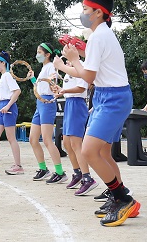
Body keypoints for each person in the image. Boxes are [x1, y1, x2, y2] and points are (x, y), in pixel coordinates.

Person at [53, 0, 140, 226]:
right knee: (101, 152)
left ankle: (123, 199)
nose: (82, 14)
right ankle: (117, 196)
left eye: (85, 10)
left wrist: (72, 59)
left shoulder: (100, 37)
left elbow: (86, 77)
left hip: (112, 99)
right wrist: (71, 61)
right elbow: (86, 72)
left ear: (99, 13)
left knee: (89, 151)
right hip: (106, 97)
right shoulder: (99, 36)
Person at [55, 60, 99, 195]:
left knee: (75, 143)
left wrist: (64, 90)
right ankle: (78, 173)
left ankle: (88, 178)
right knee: (67, 143)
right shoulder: (69, 69)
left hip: (77, 104)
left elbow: (81, 88)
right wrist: (60, 90)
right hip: (69, 103)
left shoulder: (81, 66)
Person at [26, 43, 68, 182]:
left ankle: (60, 172)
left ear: (47, 54)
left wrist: (52, 78)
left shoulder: (51, 66)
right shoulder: (43, 68)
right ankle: (43, 169)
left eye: (39, 52)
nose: (37, 55)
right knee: (33, 139)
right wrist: (33, 78)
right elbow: (40, 87)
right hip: (40, 103)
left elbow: (52, 78)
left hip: (48, 102)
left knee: (47, 139)